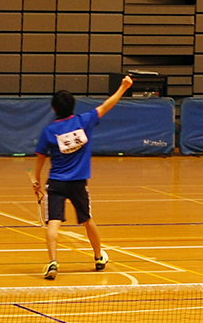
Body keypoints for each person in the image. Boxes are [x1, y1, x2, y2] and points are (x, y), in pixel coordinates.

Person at [32, 75, 134, 280]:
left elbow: (40, 158)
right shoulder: (84, 121)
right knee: (87, 220)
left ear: (54, 109)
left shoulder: (49, 131)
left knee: (53, 222)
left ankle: (53, 262)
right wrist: (123, 87)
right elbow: (106, 105)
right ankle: (98, 257)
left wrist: (37, 181)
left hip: (57, 183)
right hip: (78, 183)